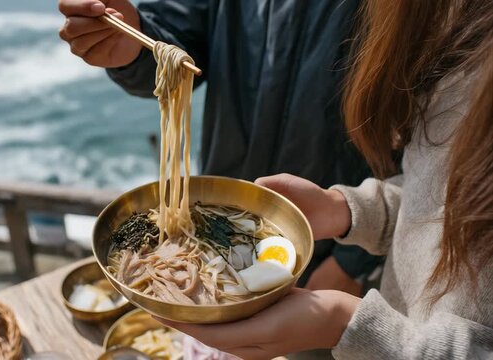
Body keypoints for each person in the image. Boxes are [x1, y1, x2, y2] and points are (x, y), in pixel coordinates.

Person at [153, 1, 493, 359]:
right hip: (364, 294)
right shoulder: (458, 22)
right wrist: (348, 210)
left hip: (361, 314)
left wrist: (344, 319)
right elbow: (437, 197)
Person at [58, 0, 383, 297]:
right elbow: (174, 41)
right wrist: (135, 43)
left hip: (338, 240)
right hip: (213, 225)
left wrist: (353, 263)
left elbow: (413, 138)